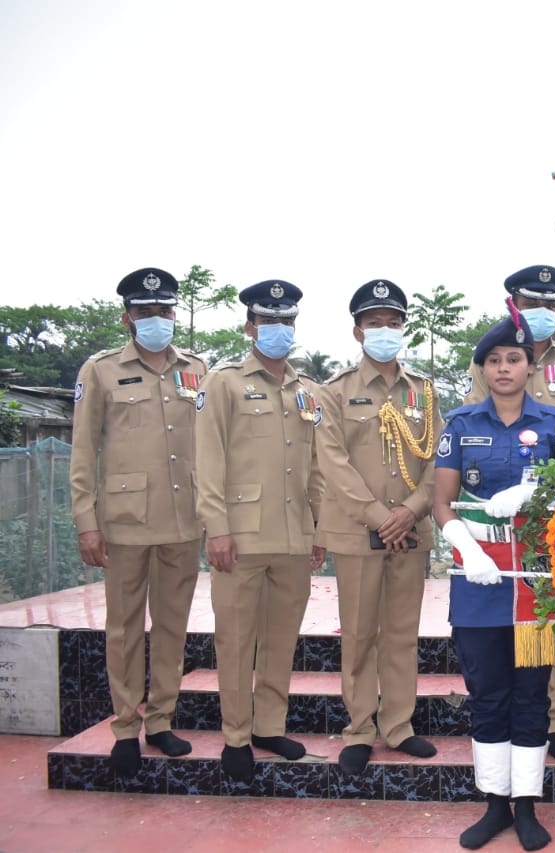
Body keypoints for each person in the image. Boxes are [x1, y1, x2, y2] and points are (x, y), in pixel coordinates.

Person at [433, 301, 555, 851]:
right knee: (487, 692)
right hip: (479, 576)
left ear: (531, 366)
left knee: (531, 695)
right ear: (483, 369)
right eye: (493, 360)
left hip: (534, 581)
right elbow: (441, 503)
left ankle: (528, 804)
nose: (503, 369)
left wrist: (541, 493)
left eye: (514, 358)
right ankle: (494, 802)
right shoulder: (462, 425)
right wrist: (467, 548)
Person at [69, 267, 206, 777]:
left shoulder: (196, 368)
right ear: (127, 317)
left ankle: (161, 720)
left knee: (172, 626)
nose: (157, 320)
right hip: (124, 522)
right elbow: (83, 452)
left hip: (183, 519)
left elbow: (208, 446)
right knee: (124, 629)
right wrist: (87, 520)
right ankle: (125, 726)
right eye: (146, 313)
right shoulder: (101, 370)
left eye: (165, 311)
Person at [195, 280, 326, 782]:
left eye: (286, 322)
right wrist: (217, 529)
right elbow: (209, 462)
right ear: (250, 327)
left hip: (293, 535)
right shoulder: (222, 382)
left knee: (280, 639)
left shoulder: (306, 390)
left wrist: (317, 527)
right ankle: (235, 736)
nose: (278, 330)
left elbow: (314, 466)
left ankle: (269, 726)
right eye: (268, 321)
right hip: (241, 537)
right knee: (235, 639)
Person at [463, 264, 555, 762]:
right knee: (506, 630)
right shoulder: (488, 356)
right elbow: (475, 432)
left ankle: (550, 718)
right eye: (532, 303)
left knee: (548, 621)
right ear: (512, 305)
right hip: (496, 513)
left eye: (551, 304)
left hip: (549, 514)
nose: (543, 312)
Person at [315, 279, 442, 774]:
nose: (384, 332)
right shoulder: (335, 392)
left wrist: (410, 511)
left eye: (392, 324)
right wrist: (379, 517)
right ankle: (359, 728)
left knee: (402, 634)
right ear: (357, 331)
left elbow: (437, 463)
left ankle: (399, 725)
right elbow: (332, 462)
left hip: (410, 530)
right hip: (356, 531)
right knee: (360, 633)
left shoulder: (424, 392)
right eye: (374, 324)